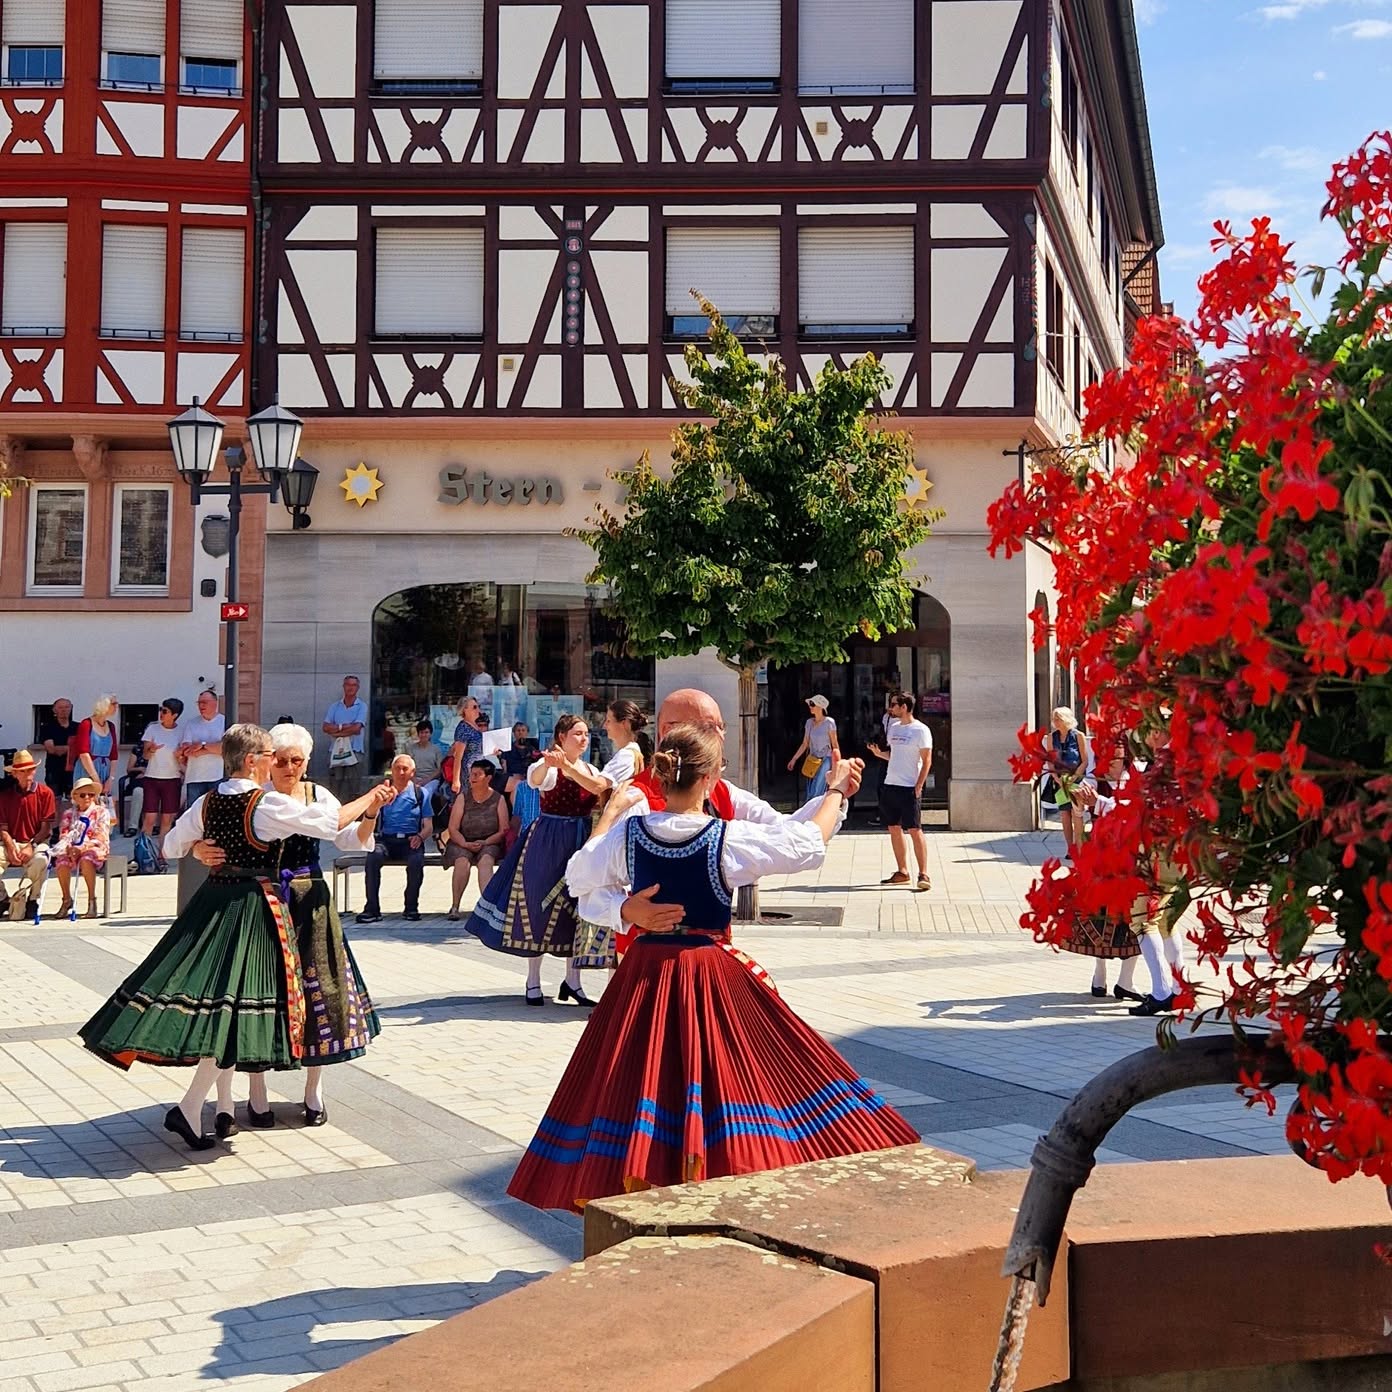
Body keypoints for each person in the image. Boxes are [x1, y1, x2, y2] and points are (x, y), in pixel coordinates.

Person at [510, 723, 918, 1212]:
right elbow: (805, 845)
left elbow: (578, 877)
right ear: (709, 780)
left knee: (641, 1083)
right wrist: (834, 789)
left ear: (663, 777)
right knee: (725, 1080)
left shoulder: (630, 836)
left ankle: (649, 1191)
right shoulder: (723, 839)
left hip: (644, 978)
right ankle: (717, 1185)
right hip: (706, 975)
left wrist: (624, 909)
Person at [79, 723, 393, 1149]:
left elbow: (170, 845)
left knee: (223, 1009)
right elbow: (330, 822)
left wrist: (195, 848)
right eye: (269, 755)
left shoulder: (208, 800)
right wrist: (371, 798)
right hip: (252, 910)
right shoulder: (264, 804)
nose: (275, 763)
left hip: (214, 904)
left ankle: (204, 1106)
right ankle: (201, 1105)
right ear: (252, 761)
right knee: (235, 1009)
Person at [194, 723, 382, 1129]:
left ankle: (313, 1089)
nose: (289, 767)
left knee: (322, 992)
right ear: (265, 761)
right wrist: (197, 847)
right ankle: (256, 1092)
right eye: (280, 760)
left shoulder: (317, 794)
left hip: (310, 900)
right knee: (260, 994)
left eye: (297, 760)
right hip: (263, 901)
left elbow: (349, 838)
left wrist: (370, 813)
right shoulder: (255, 798)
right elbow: (200, 830)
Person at [580, 689, 862, 960]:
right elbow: (588, 881)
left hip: (706, 954)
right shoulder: (636, 799)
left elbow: (784, 829)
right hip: (644, 956)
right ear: (669, 731)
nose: (720, 735)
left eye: (720, 725)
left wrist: (832, 798)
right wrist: (625, 908)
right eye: (708, 726)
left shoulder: (723, 791)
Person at [463, 713, 602, 1006]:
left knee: (577, 910)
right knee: (538, 905)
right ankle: (533, 980)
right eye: (577, 733)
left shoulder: (590, 768)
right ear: (561, 737)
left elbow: (598, 789)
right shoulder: (547, 764)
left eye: (586, 733)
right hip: (549, 840)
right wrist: (550, 765)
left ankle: (573, 982)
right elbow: (535, 780)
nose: (584, 738)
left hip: (580, 839)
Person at [1061, 746, 1144, 1002]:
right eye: (1106, 755)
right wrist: (1077, 805)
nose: (1109, 762)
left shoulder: (1139, 775)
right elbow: (1079, 821)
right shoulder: (1092, 779)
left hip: (1131, 855)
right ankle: (1100, 975)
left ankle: (1126, 981)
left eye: (1115, 756)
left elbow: (1131, 812)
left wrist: (1096, 802)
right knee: (1100, 917)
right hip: (1101, 855)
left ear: (1125, 756)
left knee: (1134, 918)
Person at [571, 700, 649, 969]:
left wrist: (567, 767)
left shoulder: (628, 754)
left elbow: (597, 785)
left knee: (619, 915)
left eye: (608, 719)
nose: (604, 725)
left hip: (624, 834)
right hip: (627, 832)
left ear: (624, 724)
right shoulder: (630, 753)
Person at [866, 692, 933, 891]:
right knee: (893, 828)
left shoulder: (921, 730)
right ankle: (902, 871)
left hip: (909, 787)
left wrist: (919, 785)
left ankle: (923, 873)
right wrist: (879, 754)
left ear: (904, 707)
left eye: (894, 705)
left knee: (914, 829)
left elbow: (927, 760)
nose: (891, 708)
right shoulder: (893, 728)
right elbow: (893, 756)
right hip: (891, 784)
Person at [356, 754, 433, 924]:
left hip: (410, 840)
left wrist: (420, 837)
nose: (401, 772)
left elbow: (428, 825)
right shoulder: (382, 792)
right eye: (397, 768)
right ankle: (372, 909)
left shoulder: (421, 794)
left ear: (412, 772)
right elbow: (370, 816)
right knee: (373, 857)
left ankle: (411, 907)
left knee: (416, 861)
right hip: (386, 840)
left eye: (405, 768)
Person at [444, 759, 509, 921]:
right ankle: (455, 906)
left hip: (490, 841)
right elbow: (453, 828)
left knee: (486, 861)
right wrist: (464, 843)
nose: (472, 777)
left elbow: (503, 830)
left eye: (477, 774)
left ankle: (487, 907)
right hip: (463, 840)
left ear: (488, 778)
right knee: (461, 861)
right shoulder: (462, 798)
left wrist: (486, 842)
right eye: (471, 774)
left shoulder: (498, 799)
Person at [0, 750, 57, 921]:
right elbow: (2, 827)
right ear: (15, 773)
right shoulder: (5, 796)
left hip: (37, 841)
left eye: (30, 769)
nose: (28, 774)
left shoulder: (45, 793)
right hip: (12, 841)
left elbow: (46, 828)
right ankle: (2, 897)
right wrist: (10, 846)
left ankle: (33, 899)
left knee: (41, 859)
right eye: (23, 770)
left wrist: (31, 846)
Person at [52, 777, 114, 919]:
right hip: (73, 847)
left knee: (86, 860)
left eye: (91, 795)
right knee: (61, 861)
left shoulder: (101, 812)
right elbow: (64, 833)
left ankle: (92, 900)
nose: (87, 797)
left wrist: (84, 846)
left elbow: (101, 835)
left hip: (94, 846)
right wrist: (68, 847)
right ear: (74, 797)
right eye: (82, 795)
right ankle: (66, 899)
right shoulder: (69, 813)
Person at [1042, 706, 1089, 856]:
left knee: (1077, 814)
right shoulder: (1051, 738)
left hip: (1076, 779)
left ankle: (1080, 846)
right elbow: (1050, 762)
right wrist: (1056, 778)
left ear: (1066, 720)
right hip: (1059, 781)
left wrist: (1075, 777)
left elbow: (1084, 760)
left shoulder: (1078, 736)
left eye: (1058, 719)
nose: (1055, 722)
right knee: (1064, 814)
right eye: (1054, 719)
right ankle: (1070, 848)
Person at [140, 699, 185, 851]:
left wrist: (180, 756)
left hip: (172, 779)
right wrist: (151, 750)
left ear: (175, 715)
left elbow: (184, 758)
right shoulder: (152, 729)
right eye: (161, 709)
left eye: (165, 711)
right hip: (152, 778)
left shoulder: (182, 732)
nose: (161, 713)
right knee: (149, 819)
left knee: (167, 819)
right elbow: (145, 756)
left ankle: (161, 855)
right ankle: (144, 854)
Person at [322, 675, 368, 803]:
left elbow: (357, 728)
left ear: (357, 688)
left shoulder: (362, 706)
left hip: (355, 751)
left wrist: (337, 731)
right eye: (348, 684)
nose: (350, 688)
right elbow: (325, 727)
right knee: (335, 788)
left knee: (354, 788)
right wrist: (345, 727)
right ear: (344, 686)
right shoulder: (334, 707)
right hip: (336, 751)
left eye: (353, 685)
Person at [786, 693, 840, 799]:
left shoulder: (829, 722)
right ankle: (810, 813)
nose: (810, 706)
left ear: (820, 706)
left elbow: (835, 744)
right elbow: (805, 743)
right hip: (812, 760)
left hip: (826, 759)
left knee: (817, 790)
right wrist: (794, 759)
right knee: (810, 790)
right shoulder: (809, 723)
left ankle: (815, 814)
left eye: (813, 704)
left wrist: (838, 763)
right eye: (810, 704)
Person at [179, 689, 225, 807]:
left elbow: (224, 749)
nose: (201, 706)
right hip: (194, 777)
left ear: (215, 703)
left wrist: (202, 745)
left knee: (215, 813)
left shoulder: (224, 722)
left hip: (217, 776)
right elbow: (187, 750)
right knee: (193, 816)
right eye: (199, 703)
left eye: (205, 702)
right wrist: (212, 748)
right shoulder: (191, 723)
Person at [72, 696, 120, 804]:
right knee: (86, 802)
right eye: (114, 703)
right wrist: (95, 779)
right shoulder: (86, 724)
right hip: (87, 770)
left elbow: (113, 755)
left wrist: (110, 779)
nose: (116, 706)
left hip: (105, 770)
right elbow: (83, 753)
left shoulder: (111, 726)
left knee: (103, 805)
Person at [446, 696, 484, 797]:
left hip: (480, 768)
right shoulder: (463, 728)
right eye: (474, 707)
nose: (478, 710)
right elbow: (458, 757)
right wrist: (456, 780)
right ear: (465, 710)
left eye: (478, 707)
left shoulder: (475, 726)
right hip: (470, 771)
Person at [39, 698, 75, 802]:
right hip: (54, 770)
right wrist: (72, 748)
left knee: (75, 802)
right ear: (54, 710)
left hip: (73, 771)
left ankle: (71, 819)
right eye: (60, 707)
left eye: (67, 707)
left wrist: (62, 748)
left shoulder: (78, 727)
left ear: (71, 708)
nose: (64, 710)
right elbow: (51, 749)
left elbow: (84, 748)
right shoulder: (48, 728)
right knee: (54, 802)